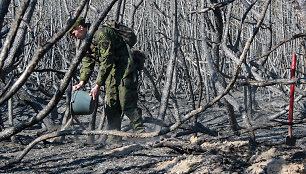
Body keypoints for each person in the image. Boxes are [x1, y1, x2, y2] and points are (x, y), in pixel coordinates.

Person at [68, 17, 145, 143]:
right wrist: (82, 82)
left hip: (125, 69)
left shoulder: (101, 34)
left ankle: (142, 136)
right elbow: (88, 61)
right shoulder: (87, 41)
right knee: (111, 105)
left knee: (127, 103)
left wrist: (98, 85)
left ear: (80, 28)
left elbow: (107, 59)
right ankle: (114, 139)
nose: (74, 37)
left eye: (73, 33)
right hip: (111, 74)